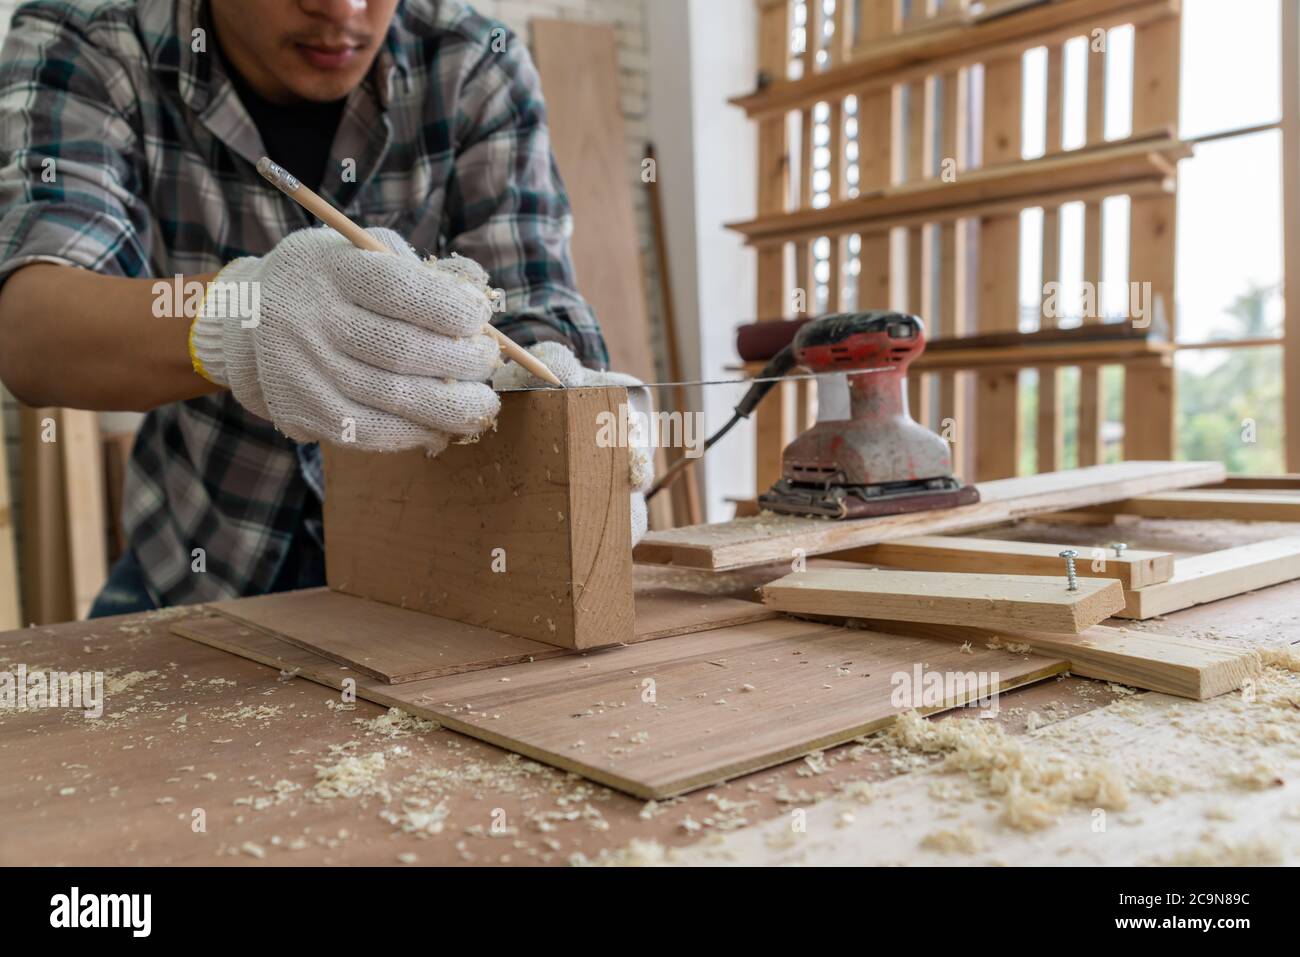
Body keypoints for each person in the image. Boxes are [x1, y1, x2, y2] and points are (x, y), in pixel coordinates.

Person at [0, 0, 645, 619]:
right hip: (200, 565)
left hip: (438, 574)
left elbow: (533, 302)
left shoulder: (474, 61)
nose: (342, 10)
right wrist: (238, 316)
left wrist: (573, 400)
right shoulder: (95, 42)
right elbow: (30, 328)